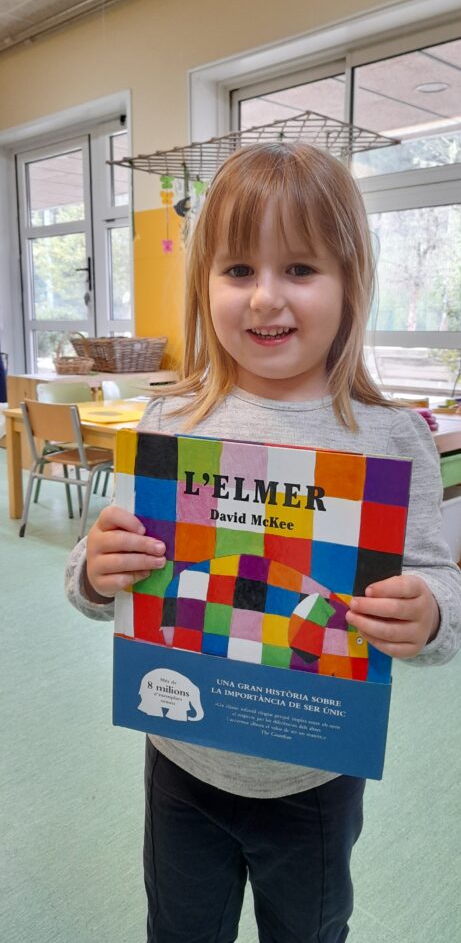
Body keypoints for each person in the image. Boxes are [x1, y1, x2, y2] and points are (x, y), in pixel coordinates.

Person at [65, 143, 461, 943]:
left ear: (349, 282)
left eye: (300, 269)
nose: (264, 297)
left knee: (306, 930)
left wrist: (429, 614)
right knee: (180, 928)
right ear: (203, 283)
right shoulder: (171, 421)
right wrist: (95, 573)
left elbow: (434, 577)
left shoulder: (390, 440)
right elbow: (106, 562)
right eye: (238, 269)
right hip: (180, 748)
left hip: (312, 771)